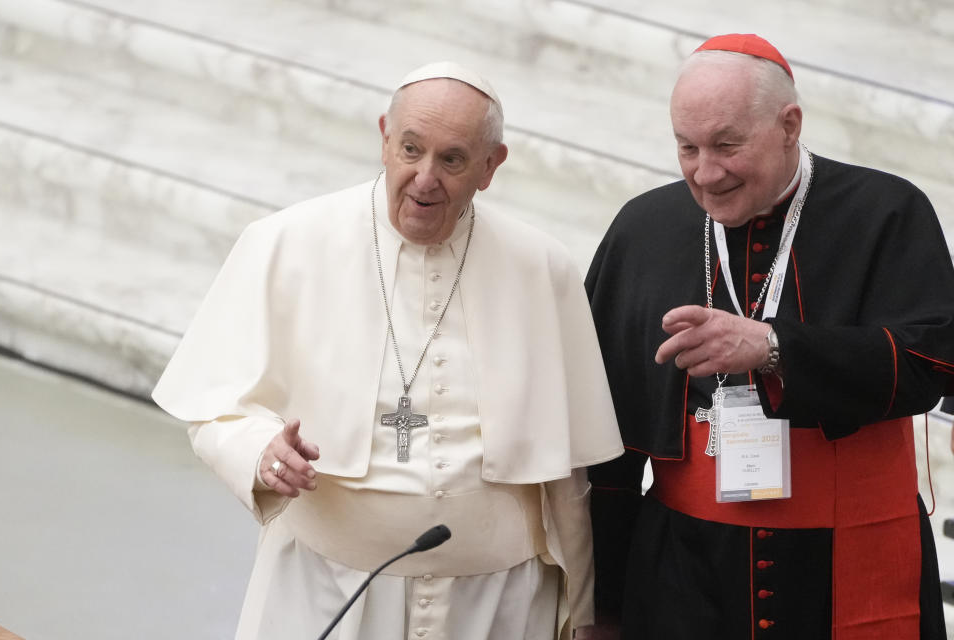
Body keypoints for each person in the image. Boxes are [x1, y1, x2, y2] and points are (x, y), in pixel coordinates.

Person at [152, 61, 623, 640]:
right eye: (410, 149)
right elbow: (213, 409)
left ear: (490, 166)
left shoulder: (540, 267)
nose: (425, 179)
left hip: (496, 601)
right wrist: (260, 452)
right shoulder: (287, 242)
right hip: (331, 587)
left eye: (452, 159)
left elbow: (568, 473)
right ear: (383, 137)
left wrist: (585, 610)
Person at [585, 34, 954, 639]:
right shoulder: (643, 227)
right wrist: (600, 599)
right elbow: (603, 435)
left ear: (789, 125)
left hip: (840, 565)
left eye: (728, 146)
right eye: (687, 147)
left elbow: (935, 360)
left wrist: (776, 348)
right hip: (680, 572)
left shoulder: (886, 211)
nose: (706, 173)